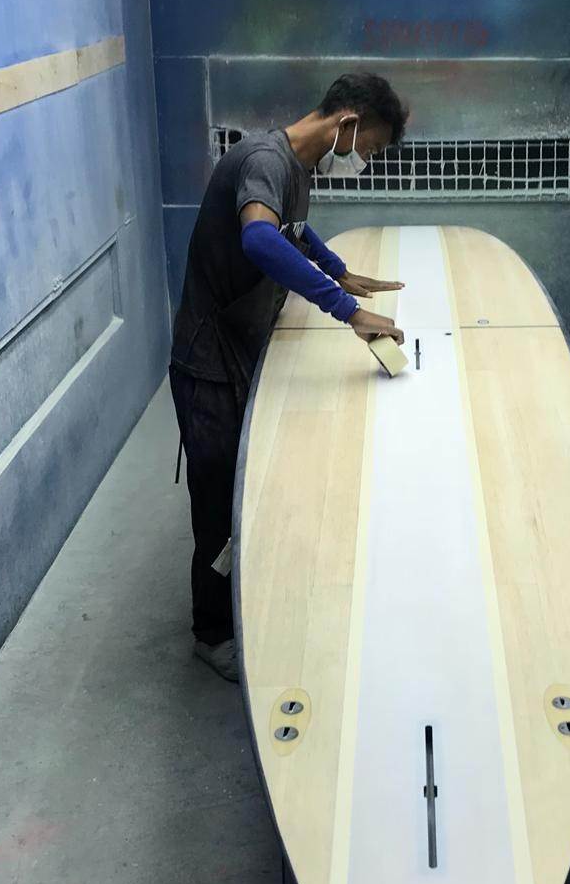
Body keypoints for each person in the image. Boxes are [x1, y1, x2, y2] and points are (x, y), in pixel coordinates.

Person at [168, 72, 409, 680]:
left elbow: (293, 230)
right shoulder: (264, 160)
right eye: (369, 148)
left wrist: (336, 268)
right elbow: (260, 238)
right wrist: (345, 309)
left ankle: (249, 599)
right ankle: (211, 633)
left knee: (246, 487)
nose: (364, 160)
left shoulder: (294, 168)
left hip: (239, 348)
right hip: (207, 363)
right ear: (347, 123)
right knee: (217, 503)